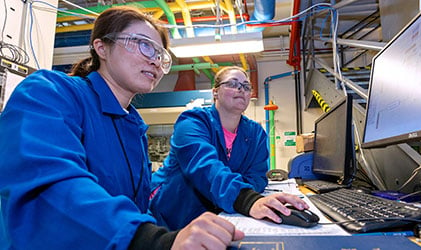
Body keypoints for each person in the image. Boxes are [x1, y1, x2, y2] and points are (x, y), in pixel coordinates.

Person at [0, 6, 243, 249]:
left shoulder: (134, 127)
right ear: (101, 47)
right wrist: (151, 241)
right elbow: (50, 189)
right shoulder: (49, 92)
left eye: (161, 55)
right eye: (143, 44)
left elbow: (137, 207)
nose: (154, 61)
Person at [150, 66, 309, 230]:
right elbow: (204, 167)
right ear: (215, 92)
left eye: (246, 87)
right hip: (171, 213)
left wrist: (236, 196)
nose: (241, 89)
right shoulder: (192, 122)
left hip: (219, 215)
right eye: (233, 84)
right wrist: (246, 200)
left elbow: (257, 177)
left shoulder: (256, 133)